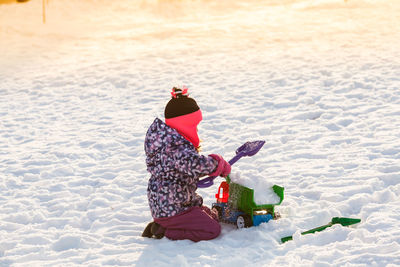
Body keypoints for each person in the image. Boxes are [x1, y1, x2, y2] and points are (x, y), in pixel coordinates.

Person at [141, 87, 231, 242]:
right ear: (185, 123)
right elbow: (192, 164)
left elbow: (185, 167)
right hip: (172, 209)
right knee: (212, 230)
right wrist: (216, 164)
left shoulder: (168, 141)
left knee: (211, 217)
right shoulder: (174, 147)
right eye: (194, 125)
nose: (195, 130)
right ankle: (165, 231)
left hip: (172, 203)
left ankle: (170, 223)